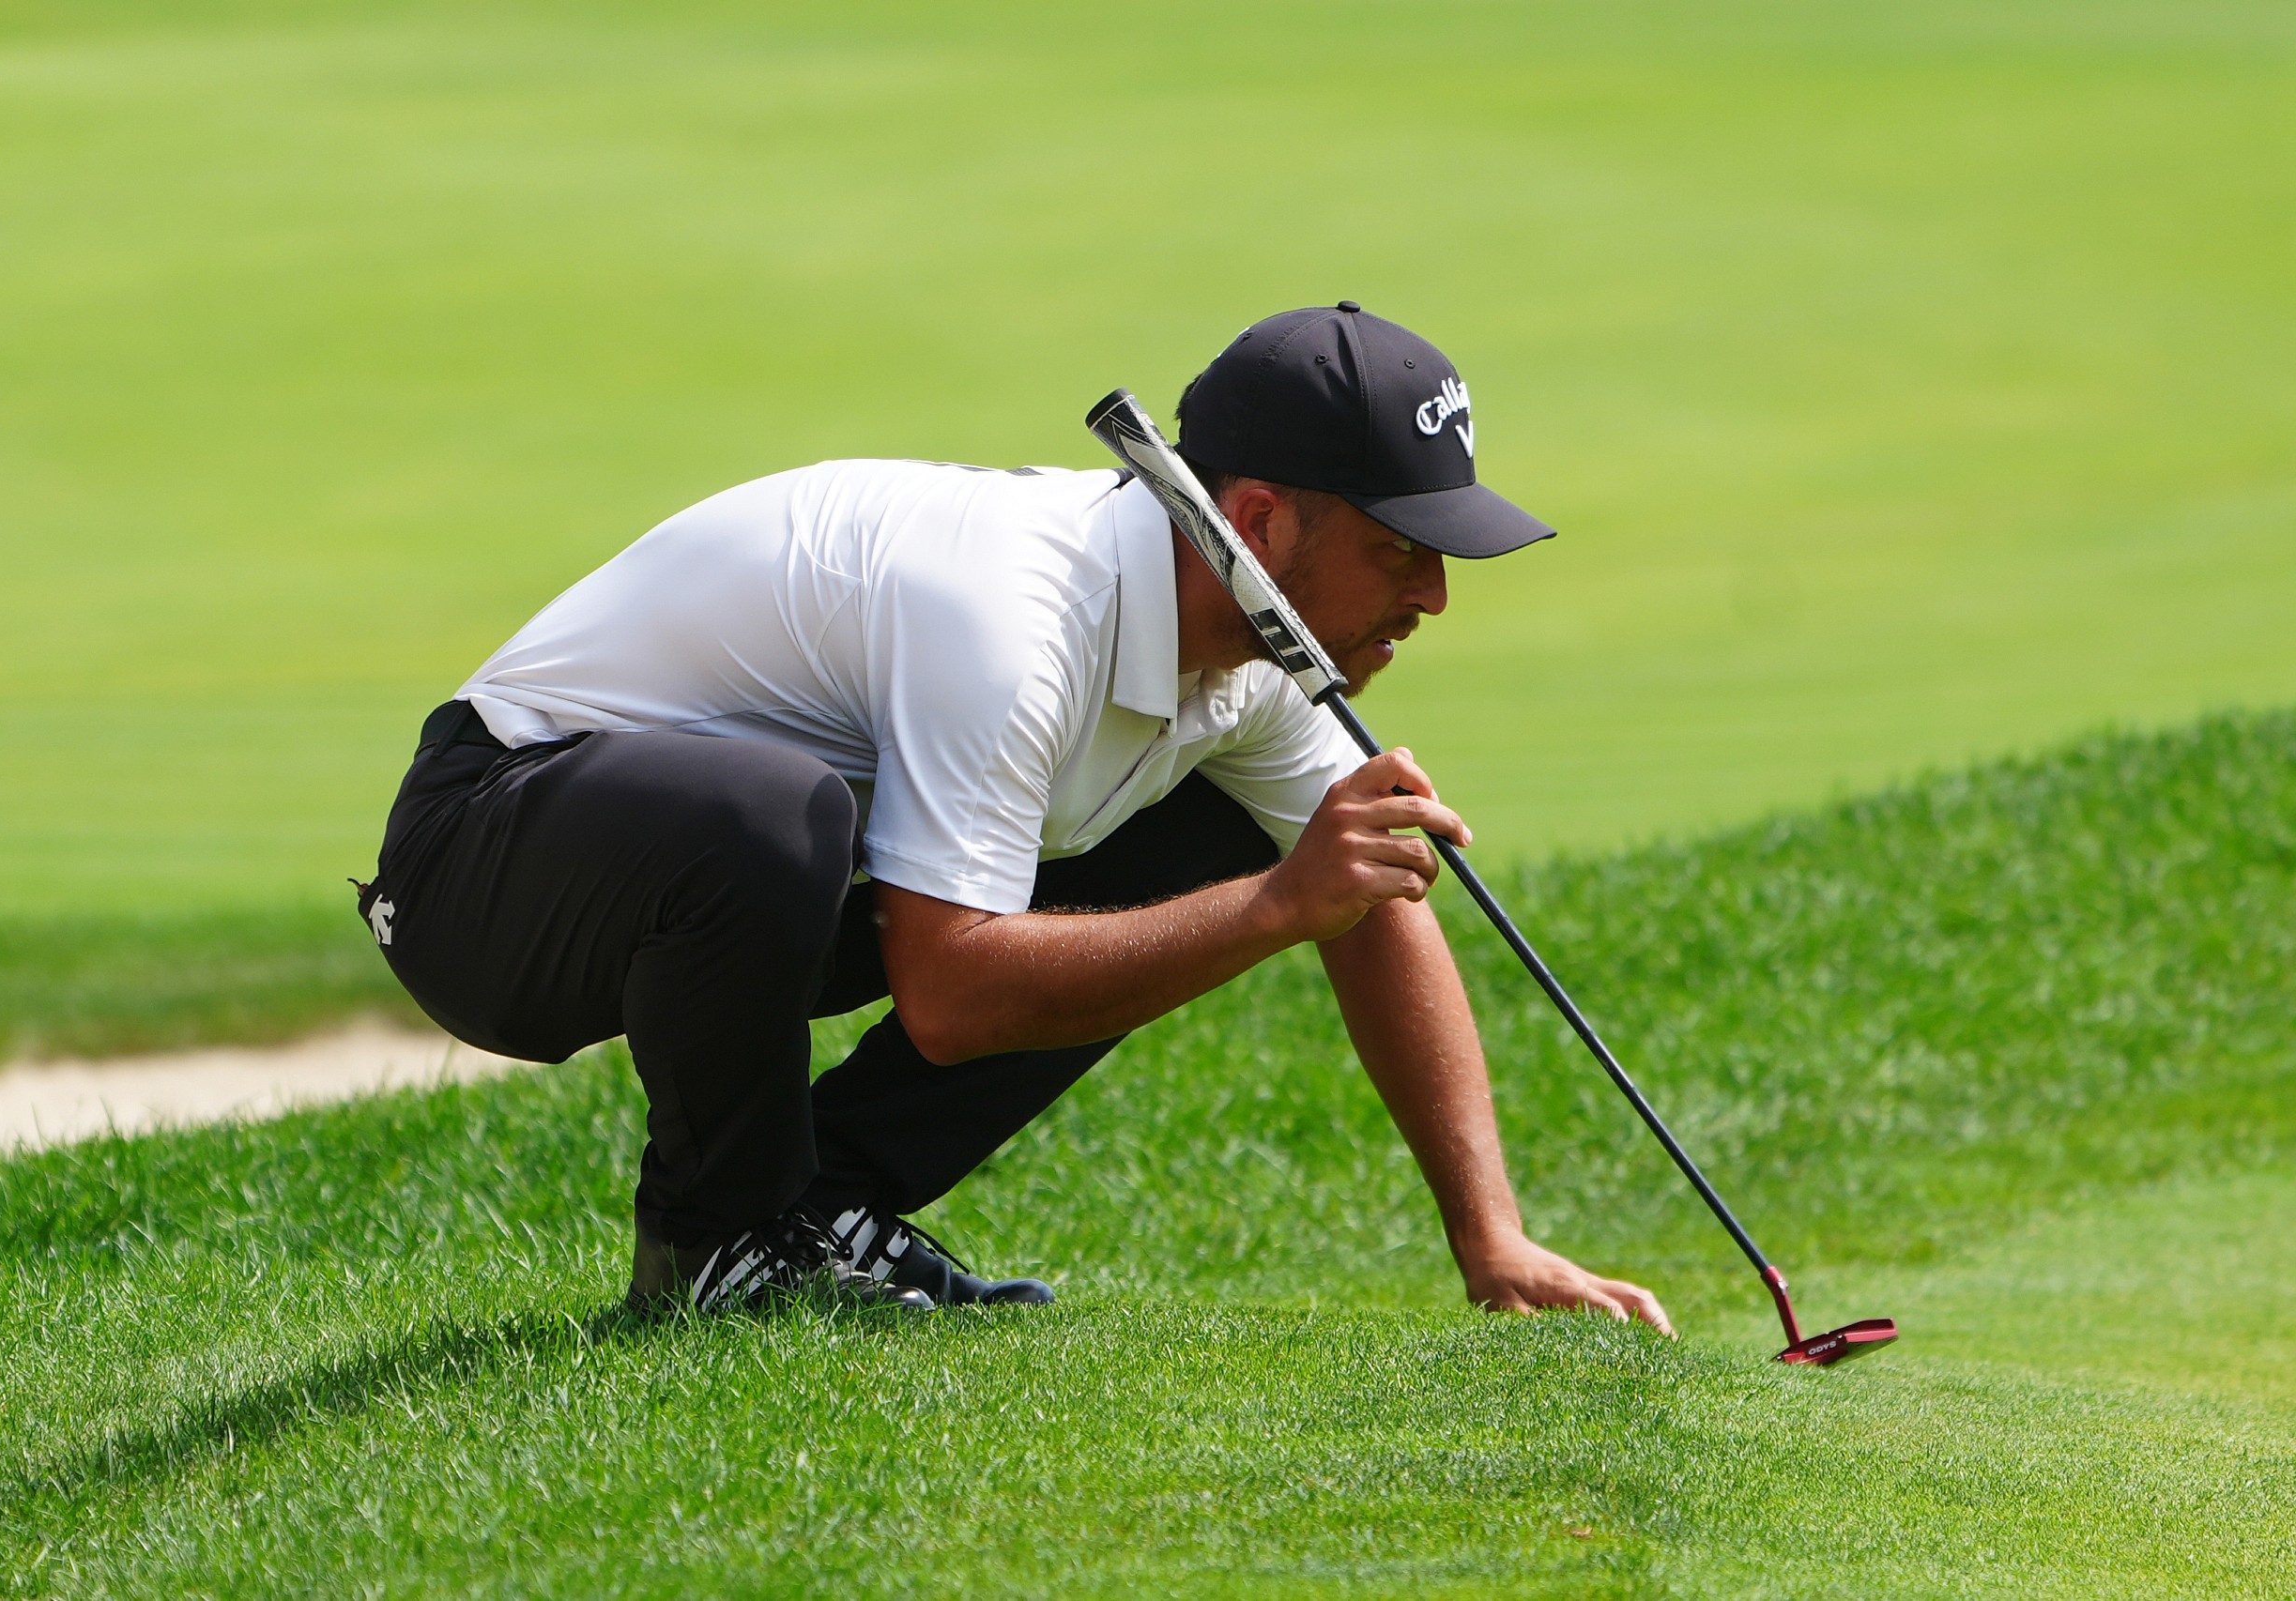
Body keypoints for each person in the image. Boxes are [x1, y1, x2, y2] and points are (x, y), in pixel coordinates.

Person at [355, 301, 1672, 1333]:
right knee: (783, 816)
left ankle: (822, 1208)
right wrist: (1281, 906)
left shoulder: (1255, 653)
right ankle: (718, 1244)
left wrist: (1489, 1237)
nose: (1434, 594)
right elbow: (952, 995)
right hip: (485, 856)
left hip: (711, 877)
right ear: (1260, 525)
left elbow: (1371, 888)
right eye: (1401, 547)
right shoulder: (1013, 616)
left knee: (1231, 835)